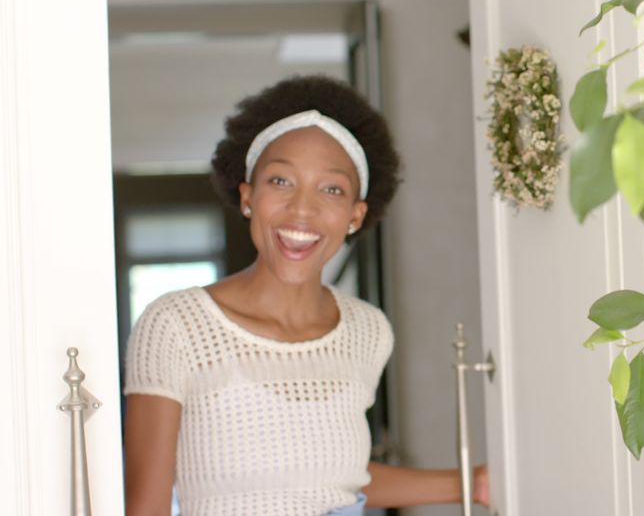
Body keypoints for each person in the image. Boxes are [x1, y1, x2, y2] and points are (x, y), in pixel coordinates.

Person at [122, 75, 489, 516]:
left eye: (331, 189)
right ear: (247, 197)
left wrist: (471, 483)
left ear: (355, 215)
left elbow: (333, 478)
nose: (302, 210)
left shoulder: (368, 330)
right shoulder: (177, 325)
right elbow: (145, 507)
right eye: (280, 181)